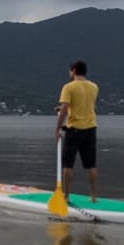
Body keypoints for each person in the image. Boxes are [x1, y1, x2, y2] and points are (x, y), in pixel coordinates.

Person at [54, 60, 99, 202]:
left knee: (68, 165)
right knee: (90, 165)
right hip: (91, 128)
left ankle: (66, 196)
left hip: (74, 130)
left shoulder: (68, 87)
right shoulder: (94, 87)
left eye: (70, 70)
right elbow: (82, 104)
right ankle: (93, 196)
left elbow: (66, 109)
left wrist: (57, 129)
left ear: (73, 70)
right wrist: (61, 108)